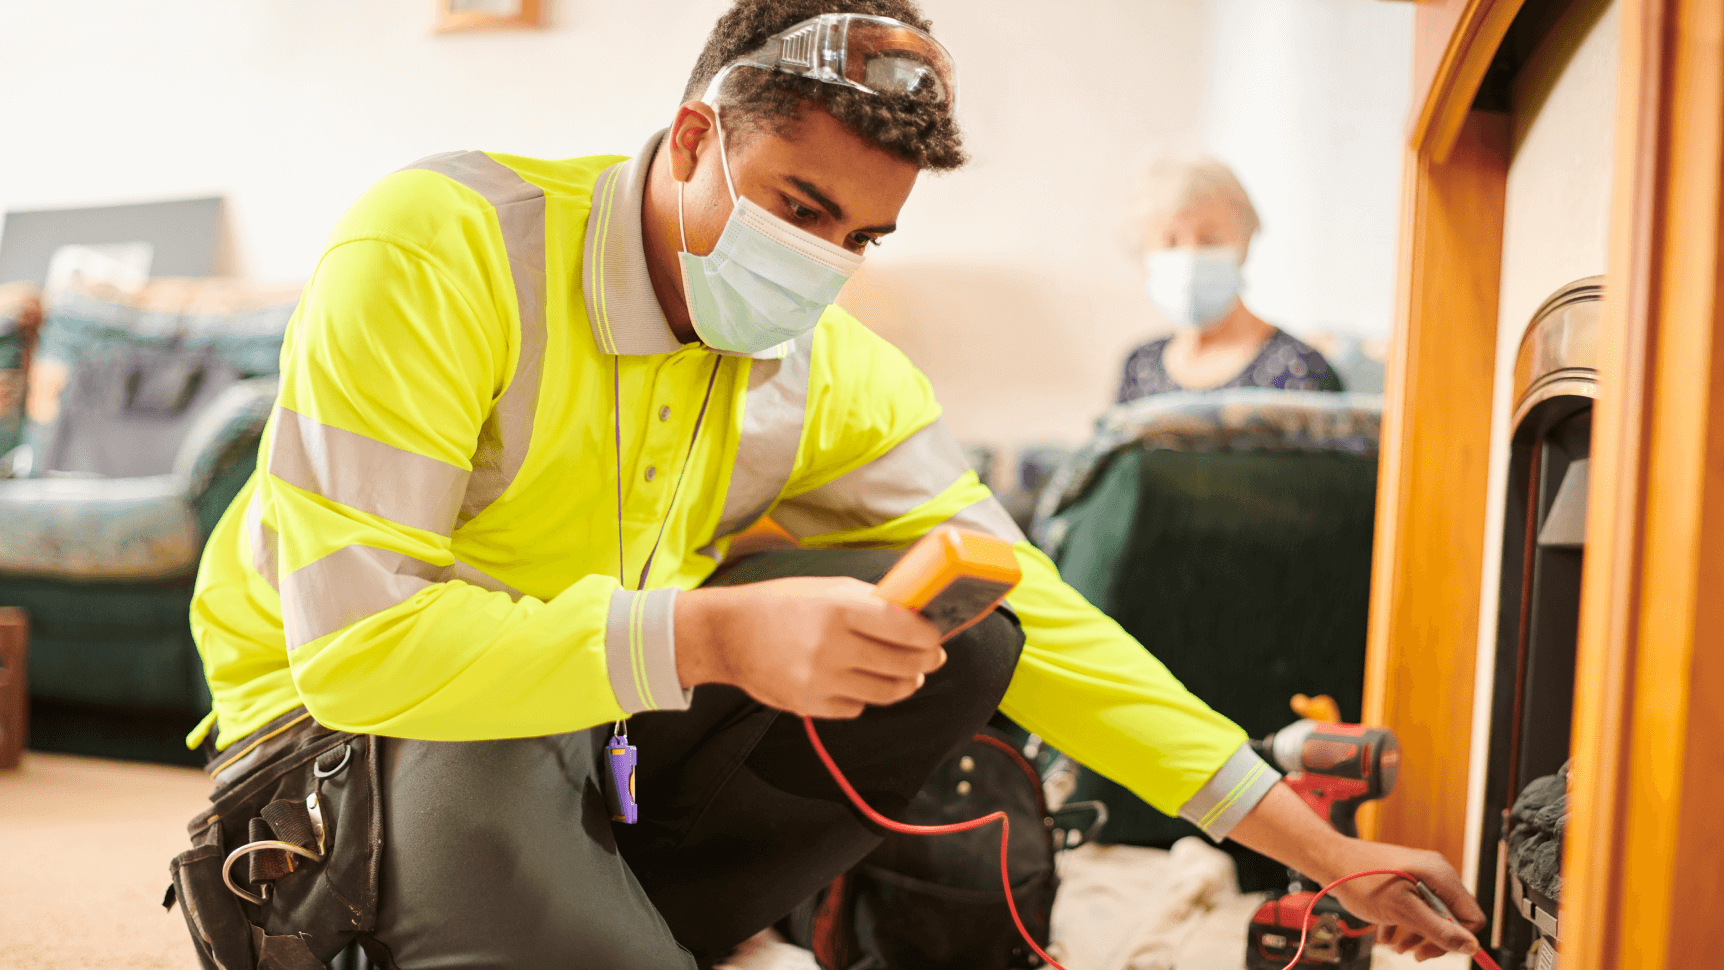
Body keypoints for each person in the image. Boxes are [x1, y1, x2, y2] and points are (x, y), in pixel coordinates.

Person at [181, 3, 1483, 968]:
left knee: (975, 627)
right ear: (693, 138)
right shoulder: (441, 245)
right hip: (363, 728)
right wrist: (709, 630)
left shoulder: (821, 367)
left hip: (598, 715)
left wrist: (1314, 846)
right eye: (798, 206)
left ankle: (634, 910)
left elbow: (1042, 614)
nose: (820, 267)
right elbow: (360, 650)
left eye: (860, 236)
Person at [1118, 156, 1344, 402]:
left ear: (1244, 244)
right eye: (1171, 241)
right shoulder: (1139, 368)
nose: (1190, 254)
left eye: (1209, 239)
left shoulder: (1300, 370)